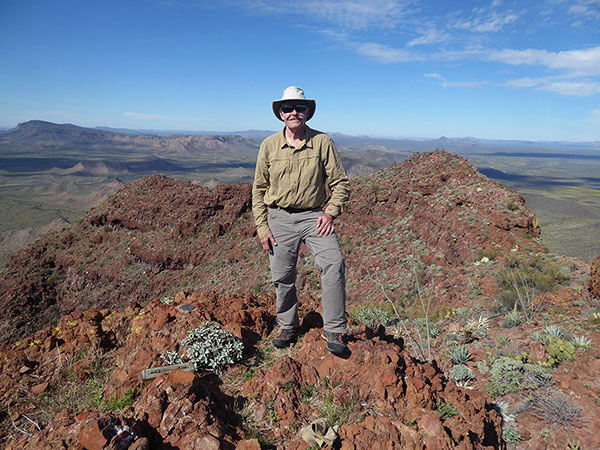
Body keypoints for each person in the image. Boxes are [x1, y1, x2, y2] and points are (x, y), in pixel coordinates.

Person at [252, 86, 351, 357]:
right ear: (280, 114)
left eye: (299, 108)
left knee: (333, 262)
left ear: (307, 112)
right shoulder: (269, 145)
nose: (294, 112)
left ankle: (334, 330)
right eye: (288, 108)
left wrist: (330, 213)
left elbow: (341, 183)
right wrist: (262, 227)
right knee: (282, 275)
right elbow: (258, 189)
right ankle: (287, 325)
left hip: (314, 215)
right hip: (278, 217)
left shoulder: (322, 142)